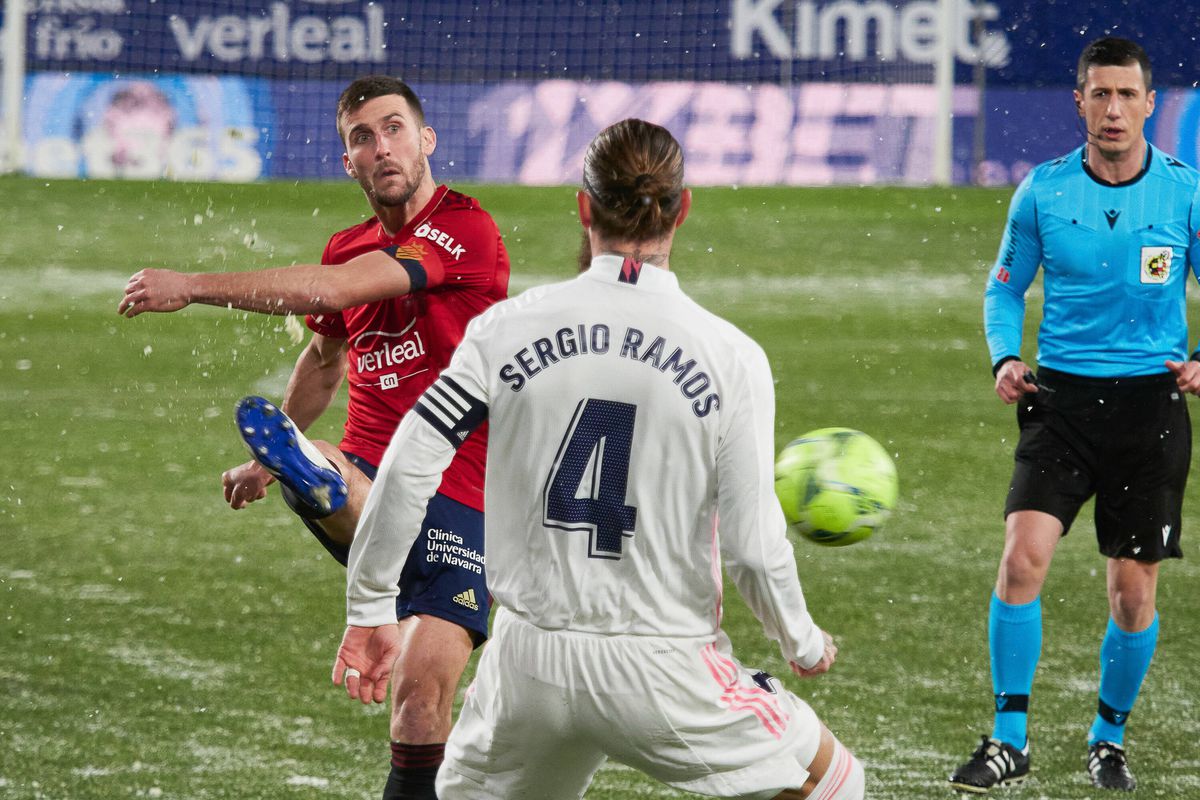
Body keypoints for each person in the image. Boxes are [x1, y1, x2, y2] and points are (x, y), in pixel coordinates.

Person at [332, 118, 866, 800]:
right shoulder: (730, 356)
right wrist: (801, 642)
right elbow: (753, 550)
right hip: (664, 666)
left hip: (528, 666)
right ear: (683, 208)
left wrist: (371, 606)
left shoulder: (504, 329)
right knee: (835, 783)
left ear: (584, 208)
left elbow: (409, 466)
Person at [118, 75, 510, 800]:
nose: (381, 147)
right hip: (370, 471)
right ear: (347, 162)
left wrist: (193, 285)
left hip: (462, 496)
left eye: (394, 129)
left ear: (426, 139)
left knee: (419, 707)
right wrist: (267, 464)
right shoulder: (348, 244)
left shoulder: (465, 229)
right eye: (362, 138)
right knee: (339, 471)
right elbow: (325, 360)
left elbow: (334, 291)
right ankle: (311, 471)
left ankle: (314, 474)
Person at [950, 37, 1200, 794]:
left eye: (1127, 95)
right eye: (1101, 94)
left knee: (1133, 593)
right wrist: (1004, 356)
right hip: (1059, 402)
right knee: (1021, 560)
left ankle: (1108, 738)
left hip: (1151, 409)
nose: (1113, 109)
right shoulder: (1043, 192)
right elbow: (1004, 287)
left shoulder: (1185, 193)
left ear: (1149, 104)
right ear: (1079, 102)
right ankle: (1009, 738)